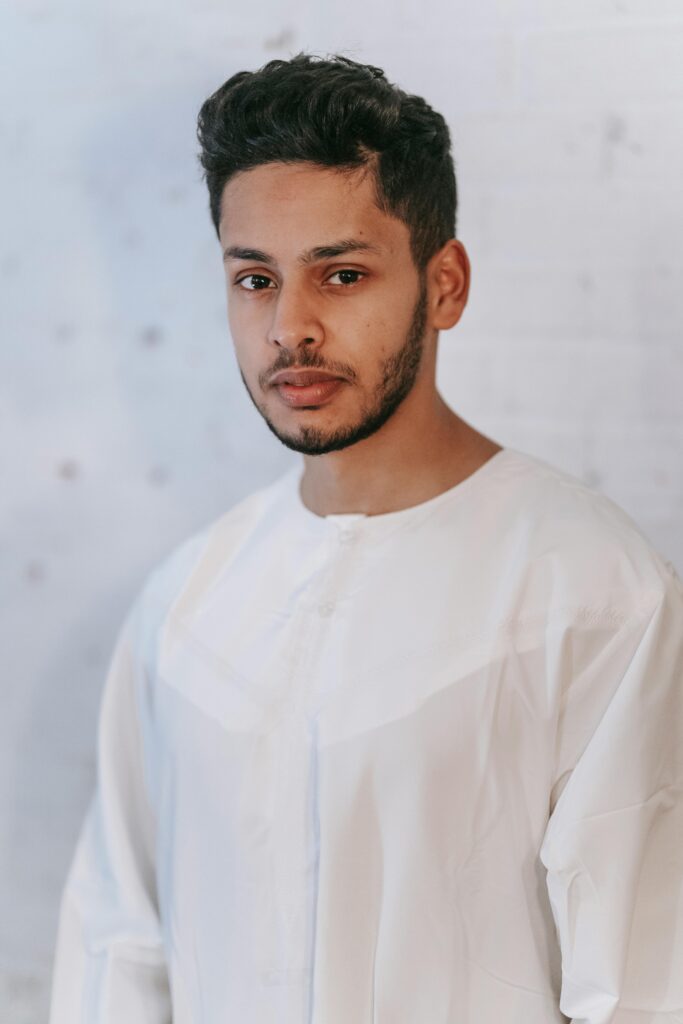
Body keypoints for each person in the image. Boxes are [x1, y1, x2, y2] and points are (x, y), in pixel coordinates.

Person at [49, 53, 683, 1023]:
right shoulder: (185, 608)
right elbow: (118, 958)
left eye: (340, 275)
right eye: (253, 279)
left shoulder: (596, 596)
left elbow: (642, 988)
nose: (287, 328)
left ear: (445, 284)